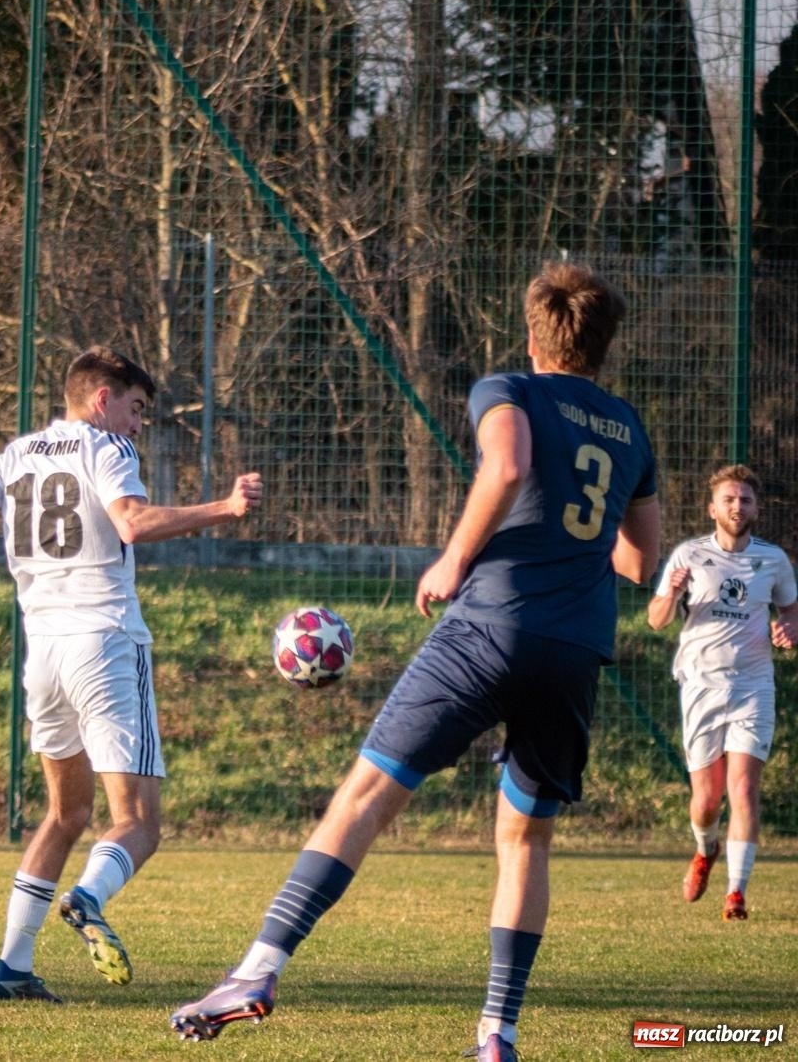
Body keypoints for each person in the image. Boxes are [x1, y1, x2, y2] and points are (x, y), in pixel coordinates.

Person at [170, 262, 660, 1062]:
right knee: (524, 840)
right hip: (575, 646)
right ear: (604, 346)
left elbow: (505, 467)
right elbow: (642, 562)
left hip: (490, 624)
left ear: (535, 335)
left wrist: (454, 558)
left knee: (364, 796)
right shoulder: (630, 428)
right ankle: (496, 1034)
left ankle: (256, 971)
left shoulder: (509, 388)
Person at [0, 348, 262, 1004]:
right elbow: (133, 523)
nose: (139, 425)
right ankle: (86, 897)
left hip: (45, 655)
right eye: (136, 409)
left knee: (66, 813)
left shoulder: (20, 454)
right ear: (101, 400)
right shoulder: (105, 447)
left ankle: (11, 966)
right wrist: (224, 509)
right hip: (105, 644)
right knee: (138, 822)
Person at [646, 464, 797, 921]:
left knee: (744, 789)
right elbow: (657, 619)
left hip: (753, 686)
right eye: (729, 500)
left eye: (745, 500)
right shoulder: (688, 555)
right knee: (707, 799)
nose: (737, 506)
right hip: (700, 686)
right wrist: (670, 594)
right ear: (712, 508)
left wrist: (789, 628)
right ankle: (704, 849)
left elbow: (791, 610)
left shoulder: (773, 560)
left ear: (756, 509)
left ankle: (736, 893)